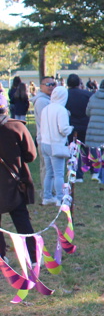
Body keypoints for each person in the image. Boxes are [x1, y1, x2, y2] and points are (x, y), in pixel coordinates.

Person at [0, 94, 37, 265]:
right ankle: (33, 257)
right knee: (22, 221)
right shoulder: (16, 127)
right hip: (13, 183)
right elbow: (30, 155)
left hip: (10, 182)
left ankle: (1, 257)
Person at [38, 85, 72, 204]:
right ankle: (60, 198)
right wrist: (71, 128)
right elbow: (63, 129)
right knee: (59, 174)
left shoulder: (46, 108)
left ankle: (46, 197)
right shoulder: (61, 110)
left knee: (49, 172)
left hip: (45, 143)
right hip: (56, 144)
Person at [64, 74, 92, 183]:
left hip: (72, 126)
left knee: (74, 151)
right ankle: (95, 170)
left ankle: (78, 175)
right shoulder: (87, 94)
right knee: (88, 149)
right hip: (86, 124)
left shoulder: (65, 95)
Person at [31, 77, 57, 188]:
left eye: (53, 84)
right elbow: (46, 121)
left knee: (52, 168)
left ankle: (51, 190)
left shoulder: (50, 100)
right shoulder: (42, 101)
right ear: (41, 86)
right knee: (47, 168)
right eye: (48, 84)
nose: (51, 87)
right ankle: (47, 192)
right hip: (45, 139)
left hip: (52, 139)